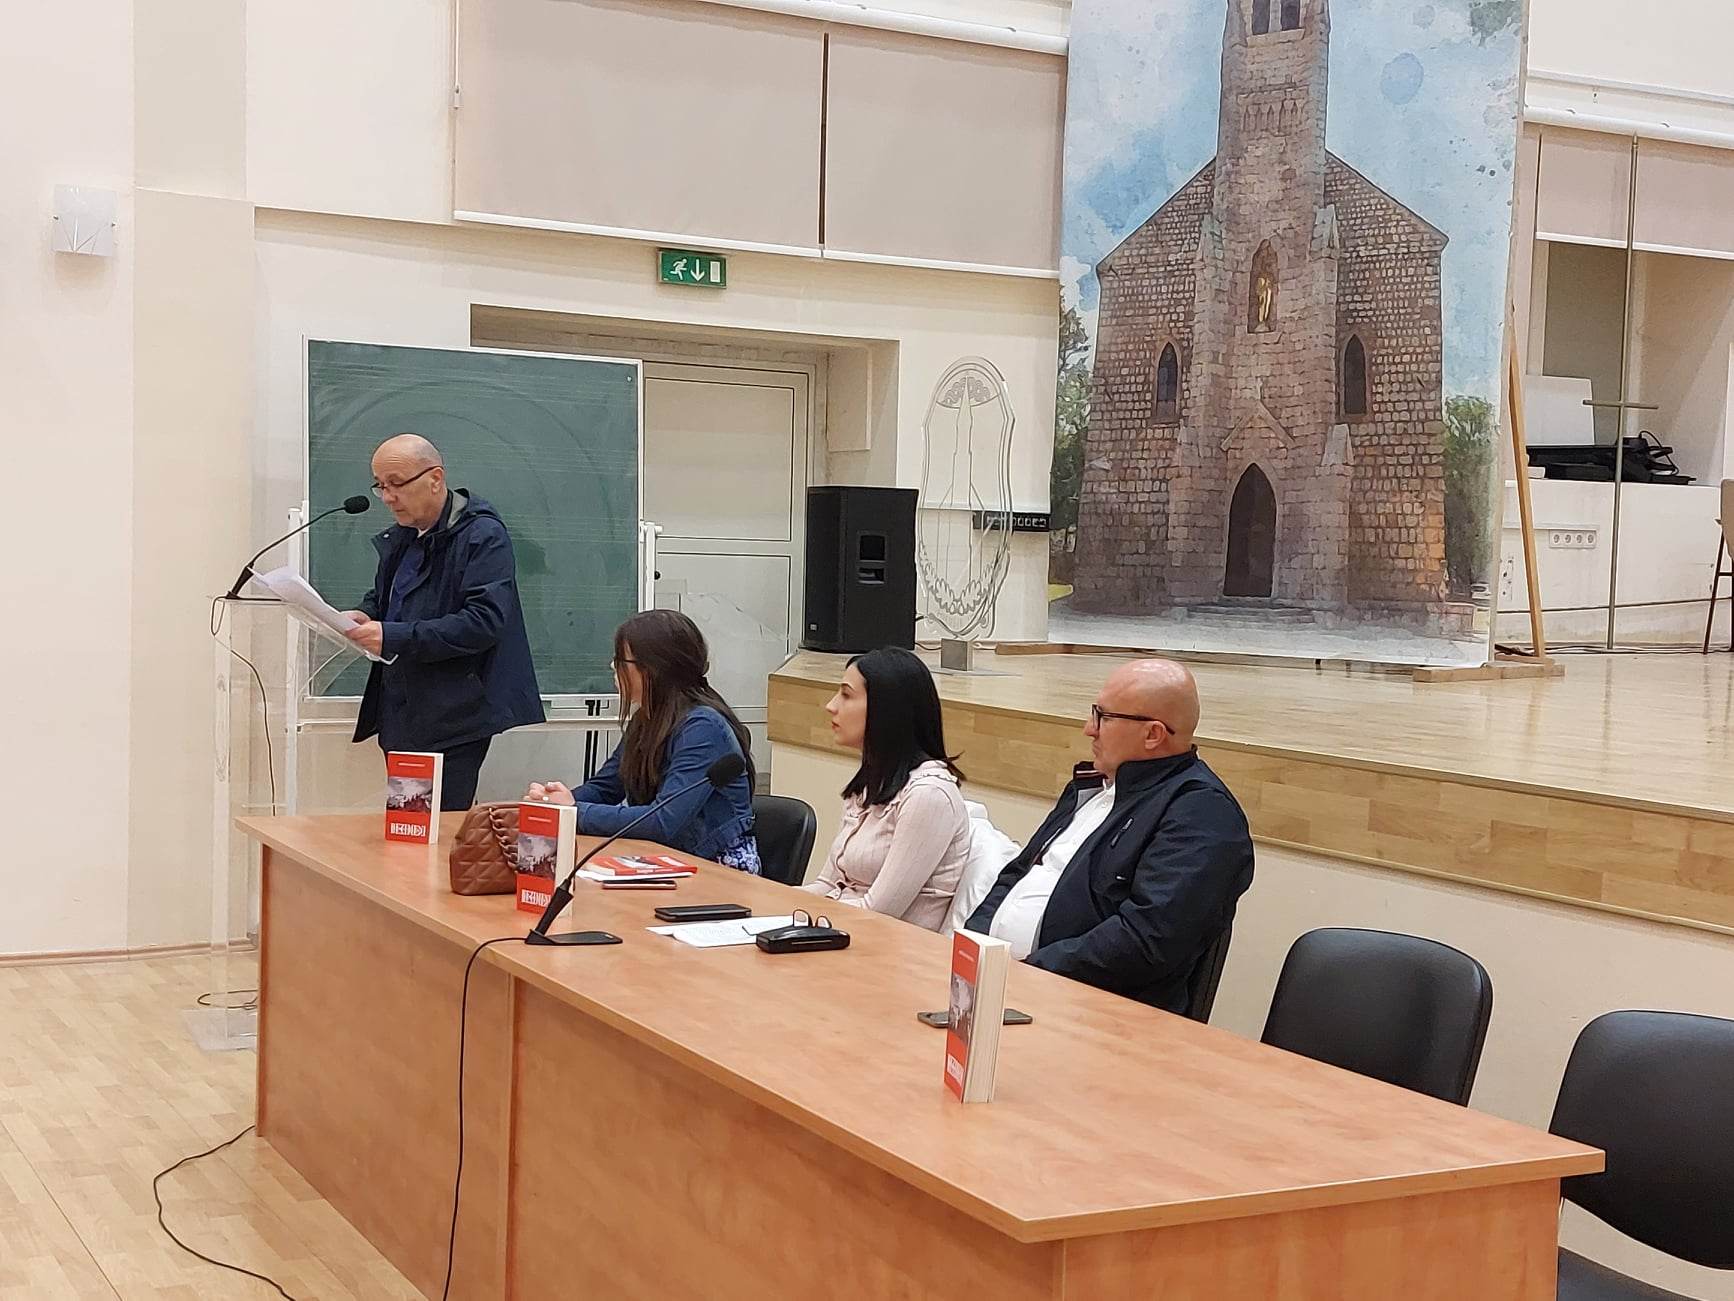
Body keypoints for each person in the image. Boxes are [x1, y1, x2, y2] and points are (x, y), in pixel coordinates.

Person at [965, 659, 1253, 1014]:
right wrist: (972, 946)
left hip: (1088, 1008)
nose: (1089, 729)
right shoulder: (1092, 787)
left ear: (1153, 734)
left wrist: (1030, 972)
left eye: (1103, 717)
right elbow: (1018, 872)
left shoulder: (1202, 814)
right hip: (1002, 986)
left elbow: (1146, 940)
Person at [343, 434, 541, 811]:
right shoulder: (404, 534)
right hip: (401, 708)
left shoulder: (482, 535)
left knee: (435, 827)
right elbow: (392, 595)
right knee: (409, 826)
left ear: (435, 478)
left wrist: (392, 636)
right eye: (380, 485)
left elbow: (483, 621)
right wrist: (366, 613)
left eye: (396, 484)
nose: (387, 497)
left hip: (453, 715)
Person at [526, 610, 760, 870]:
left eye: (621, 660)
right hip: (662, 860)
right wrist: (552, 804)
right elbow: (605, 788)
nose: (612, 667)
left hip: (717, 868)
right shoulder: (647, 719)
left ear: (653, 669)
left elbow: (662, 822)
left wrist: (573, 811)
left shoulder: (703, 728)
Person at [803, 648, 971, 930]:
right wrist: (768, 900)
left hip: (884, 945)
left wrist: (800, 915)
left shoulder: (929, 794)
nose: (831, 706)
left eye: (846, 695)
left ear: (886, 709)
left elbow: (878, 913)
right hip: (837, 929)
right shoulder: (871, 783)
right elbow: (828, 884)